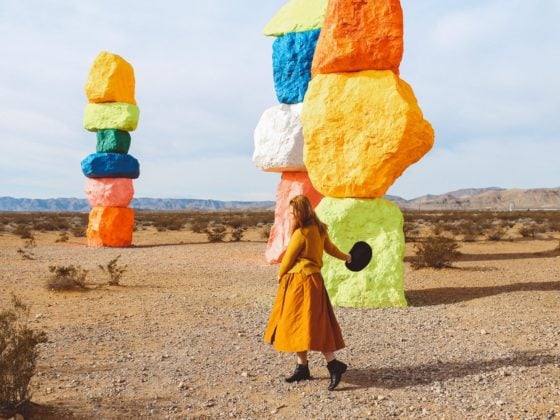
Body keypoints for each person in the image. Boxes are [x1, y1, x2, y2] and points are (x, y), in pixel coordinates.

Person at [264, 194, 352, 391]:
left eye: (293, 213)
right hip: (315, 281)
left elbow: (288, 258)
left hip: (299, 282)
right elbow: (330, 248)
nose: (291, 216)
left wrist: (280, 275)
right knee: (314, 323)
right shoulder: (320, 229)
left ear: (301, 212)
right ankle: (303, 367)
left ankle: (333, 365)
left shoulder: (301, 233)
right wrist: (347, 257)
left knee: (300, 324)